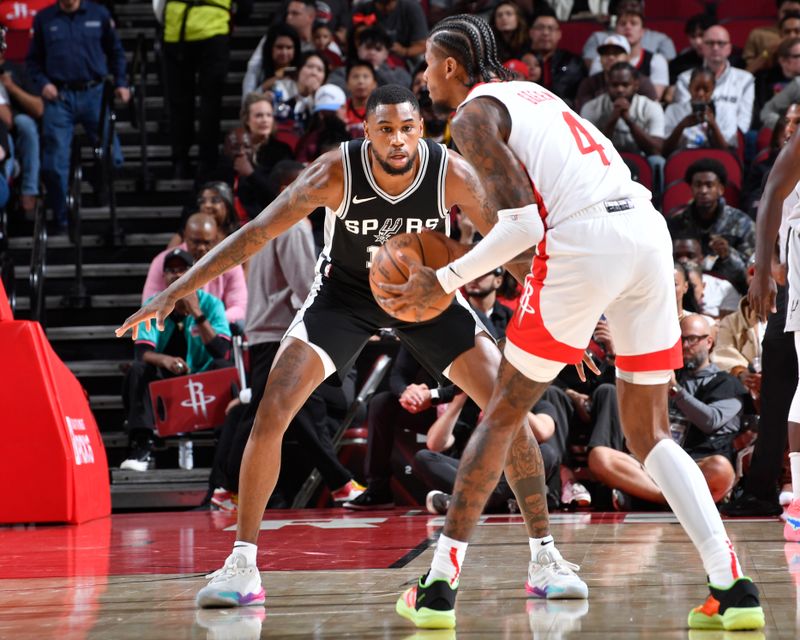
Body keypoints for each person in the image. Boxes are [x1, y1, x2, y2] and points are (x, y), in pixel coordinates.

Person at [116, 85, 587, 609]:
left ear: (422, 129)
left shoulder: (450, 171)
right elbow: (253, 234)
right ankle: (242, 565)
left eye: (407, 128)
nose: (398, 140)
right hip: (344, 295)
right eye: (385, 129)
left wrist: (560, 315)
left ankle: (545, 556)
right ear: (367, 133)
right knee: (271, 407)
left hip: (425, 292)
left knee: (507, 405)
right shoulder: (334, 171)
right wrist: (174, 291)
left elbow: (515, 243)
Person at [382, 14, 764, 631]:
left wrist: (442, 280)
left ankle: (437, 588)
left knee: (503, 412)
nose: (423, 79)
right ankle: (732, 586)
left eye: (427, 66)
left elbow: (524, 227)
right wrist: (581, 312)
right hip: (643, 233)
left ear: (451, 66)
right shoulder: (536, 95)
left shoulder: (474, 115)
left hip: (583, 239)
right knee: (651, 432)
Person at [588, 314, 746, 508]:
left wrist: (675, 391)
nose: (686, 345)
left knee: (721, 469)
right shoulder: (664, 374)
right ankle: (668, 500)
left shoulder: (727, 382)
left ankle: (645, 496)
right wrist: (615, 354)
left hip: (694, 465)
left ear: (709, 342)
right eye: (681, 339)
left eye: (692, 339)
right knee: (600, 457)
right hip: (651, 464)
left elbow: (711, 421)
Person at [120, 248, 232, 471]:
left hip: (203, 378)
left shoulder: (212, 304)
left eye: (183, 269)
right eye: (171, 270)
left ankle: (226, 453)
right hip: (167, 380)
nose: (177, 275)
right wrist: (166, 361)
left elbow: (222, 351)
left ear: (194, 273)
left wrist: (197, 314)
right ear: (164, 278)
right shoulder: (153, 304)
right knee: (138, 370)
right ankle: (142, 447)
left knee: (225, 368)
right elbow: (142, 352)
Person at [746, 94, 800, 542]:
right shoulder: (792, 154)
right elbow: (771, 208)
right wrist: (765, 273)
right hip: (793, 281)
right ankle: (785, 494)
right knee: (790, 390)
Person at [26, 0, 130, 231]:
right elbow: (33, 61)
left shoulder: (99, 13)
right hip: (59, 95)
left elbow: (116, 52)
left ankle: (98, 183)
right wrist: (43, 83)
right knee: (54, 163)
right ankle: (63, 216)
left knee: (113, 156)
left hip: (94, 91)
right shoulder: (44, 18)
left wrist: (122, 83)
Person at [157, 0, 249, 179]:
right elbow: (246, 7)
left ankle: (180, 160)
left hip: (176, 32)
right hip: (212, 30)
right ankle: (206, 161)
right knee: (210, 102)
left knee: (180, 102)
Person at [667, 159, 755, 294]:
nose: (703, 191)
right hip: (686, 294)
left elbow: (751, 274)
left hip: (732, 294)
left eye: (709, 185)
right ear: (691, 188)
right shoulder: (676, 223)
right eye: (698, 185)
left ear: (720, 189)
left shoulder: (742, 223)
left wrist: (728, 255)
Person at [144, 213, 248, 324]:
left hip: (215, 329)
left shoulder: (229, 264)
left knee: (239, 324)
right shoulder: (162, 261)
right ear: (184, 237)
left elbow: (239, 308)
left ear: (216, 239)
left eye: (207, 242)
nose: (201, 248)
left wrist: (209, 321)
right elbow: (149, 303)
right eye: (196, 242)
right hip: (172, 325)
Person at [673, 25, 754, 148]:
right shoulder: (685, 79)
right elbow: (684, 116)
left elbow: (743, 124)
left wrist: (721, 141)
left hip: (730, 146)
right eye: (710, 43)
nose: (715, 48)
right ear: (702, 47)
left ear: (729, 48)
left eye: (721, 43)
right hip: (691, 146)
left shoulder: (745, 80)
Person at [224, 92, 295, 219]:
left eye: (268, 115)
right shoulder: (235, 148)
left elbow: (279, 196)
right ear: (247, 119)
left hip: (272, 218)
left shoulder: (282, 151)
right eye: (259, 115)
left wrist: (251, 174)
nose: (265, 120)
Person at [580, 62, 664, 158]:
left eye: (625, 85)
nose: (620, 89)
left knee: (657, 161)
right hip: (605, 159)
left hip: (641, 159)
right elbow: (588, 149)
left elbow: (657, 150)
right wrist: (613, 119)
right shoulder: (591, 107)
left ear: (636, 85)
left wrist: (629, 120)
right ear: (607, 85)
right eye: (614, 85)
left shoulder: (651, 107)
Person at [0, 33, 43, 216]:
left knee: (25, 125)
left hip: (13, 119)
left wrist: (11, 88)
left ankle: (29, 189)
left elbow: (39, 109)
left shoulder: (15, 70)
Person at [574, 33, 657, 112]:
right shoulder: (589, 83)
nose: (610, 57)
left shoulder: (643, 82)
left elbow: (653, 113)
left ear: (627, 57)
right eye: (606, 53)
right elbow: (583, 115)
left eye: (616, 53)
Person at [663, 68, 728, 157]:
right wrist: (682, 125)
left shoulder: (723, 111)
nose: (700, 93)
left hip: (711, 160)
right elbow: (665, 150)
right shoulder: (673, 109)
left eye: (706, 89)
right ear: (689, 87)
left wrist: (713, 125)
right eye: (696, 88)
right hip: (682, 158)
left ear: (713, 89)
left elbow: (727, 152)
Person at [529, 8, 585, 105]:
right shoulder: (520, 60)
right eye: (540, 28)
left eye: (551, 28)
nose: (545, 33)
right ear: (531, 32)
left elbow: (580, 97)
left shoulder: (573, 62)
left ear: (559, 34)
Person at [242, 23, 302, 98]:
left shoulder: (303, 69)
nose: (284, 52)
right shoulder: (257, 68)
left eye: (289, 47)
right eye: (280, 47)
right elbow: (246, 101)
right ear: (270, 48)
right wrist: (266, 85)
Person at [742, 0, 800, 73]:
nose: (792, 35)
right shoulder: (759, 34)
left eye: (796, 12)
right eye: (786, 12)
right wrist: (768, 52)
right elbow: (747, 72)